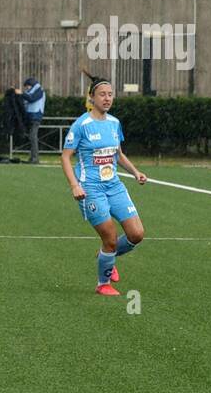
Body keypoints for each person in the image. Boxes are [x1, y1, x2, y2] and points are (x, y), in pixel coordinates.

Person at [60, 77, 148, 296]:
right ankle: (103, 284)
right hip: (91, 189)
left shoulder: (114, 123)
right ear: (92, 97)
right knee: (109, 238)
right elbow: (65, 157)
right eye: (102, 94)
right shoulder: (82, 125)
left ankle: (106, 257)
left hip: (114, 186)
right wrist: (74, 186)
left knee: (136, 234)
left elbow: (117, 154)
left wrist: (135, 172)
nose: (107, 98)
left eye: (110, 94)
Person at [17, 77, 46, 164]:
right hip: (32, 117)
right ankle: (33, 157)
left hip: (36, 116)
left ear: (31, 85)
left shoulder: (39, 90)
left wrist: (21, 93)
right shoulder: (33, 91)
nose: (27, 89)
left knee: (33, 137)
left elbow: (31, 99)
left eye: (27, 87)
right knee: (31, 137)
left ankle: (35, 158)